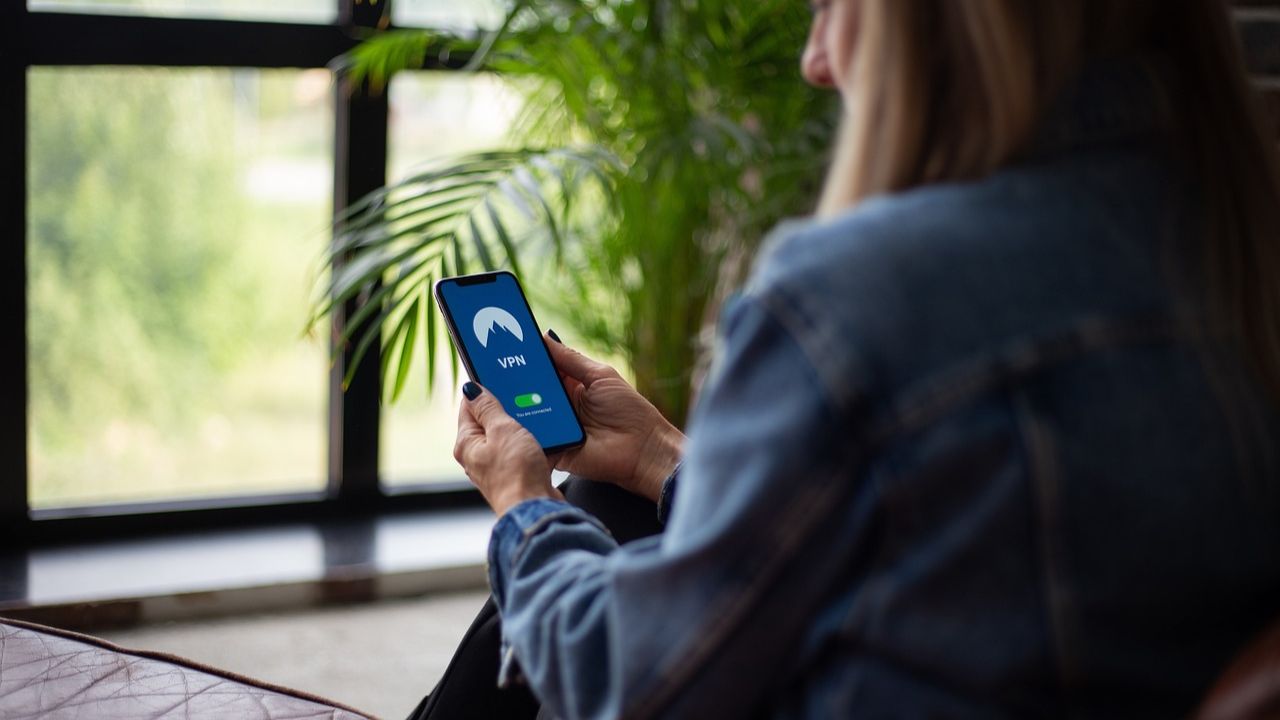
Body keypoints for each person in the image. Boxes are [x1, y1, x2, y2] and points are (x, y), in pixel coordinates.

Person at [431, 0, 1280, 717]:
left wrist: (519, 500)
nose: (815, 62)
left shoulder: (864, 293)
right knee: (615, 500)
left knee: (568, 527)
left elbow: (633, 682)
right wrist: (657, 455)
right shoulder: (1231, 242)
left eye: (834, 5)